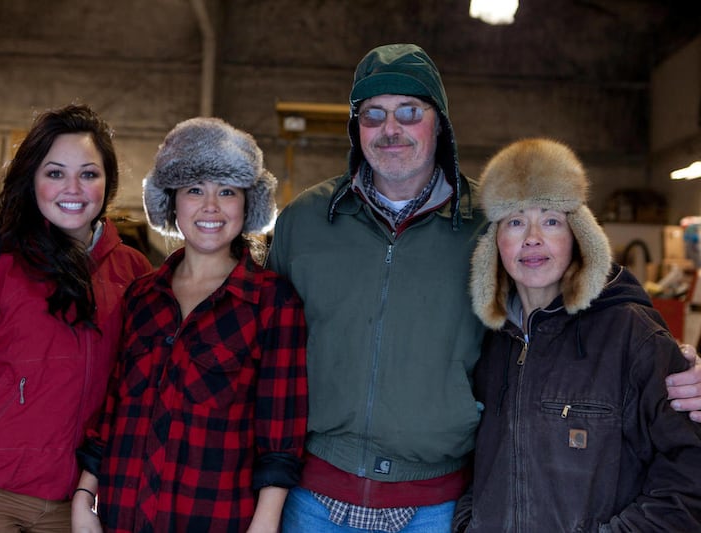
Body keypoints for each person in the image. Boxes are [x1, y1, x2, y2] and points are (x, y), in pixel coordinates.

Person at [267, 43, 701, 533]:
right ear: (356, 125)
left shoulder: (487, 221)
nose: (391, 129)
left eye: (410, 111)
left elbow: (581, 295)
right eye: (373, 114)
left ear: (440, 124)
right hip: (314, 496)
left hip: (435, 506)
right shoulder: (305, 221)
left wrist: (672, 360)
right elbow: (259, 337)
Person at [0, 103, 154, 532]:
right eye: (55, 172)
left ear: (108, 184)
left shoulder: (134, 274)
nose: (72, 188)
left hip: (77, 507)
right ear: (32, 180)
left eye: (89, 174)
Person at [71, 117, 309, 533]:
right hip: (122, 515)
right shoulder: (142, 297)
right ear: (172, 202)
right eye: (195, 190)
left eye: (227, 191)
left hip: (213, 518)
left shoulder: (273, 303)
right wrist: (83, 496)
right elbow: (112, 409)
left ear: (248, 205)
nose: (211, 206)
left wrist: (265, 523)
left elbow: (280, 436)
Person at [452, 137, 701, 531]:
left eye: (551, 219)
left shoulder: (631, 333)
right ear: (495, 242)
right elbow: (473, 464)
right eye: (516, 221)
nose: (532, 237)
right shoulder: (487, 341)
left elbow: (690, 476)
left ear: (579, 235)